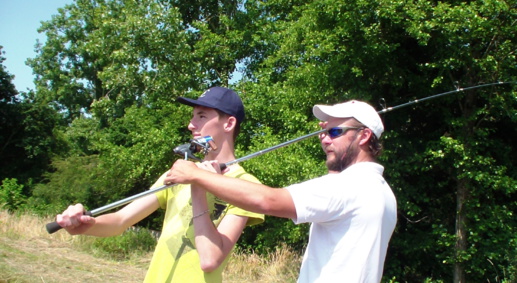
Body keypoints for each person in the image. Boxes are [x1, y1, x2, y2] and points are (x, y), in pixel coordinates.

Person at [165, 100, 398, 283]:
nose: (324, 139)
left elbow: (268, 200)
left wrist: (196, 175)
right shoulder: (379, 189)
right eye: (323, 131)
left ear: (364, 135)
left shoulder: (350, 185)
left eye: (335, 132)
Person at [55, 87, 264, 283]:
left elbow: (210, 260)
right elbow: (120, 221)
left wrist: (198, 184)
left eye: (201, 116)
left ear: (228, 124)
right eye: (192, 117)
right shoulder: (178, 174)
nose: (191, 125)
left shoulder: (245, 185)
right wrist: (84, 225)